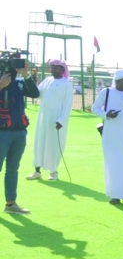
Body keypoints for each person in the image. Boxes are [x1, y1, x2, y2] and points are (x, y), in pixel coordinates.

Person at [92, 69, 123, 204]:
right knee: (113, 162)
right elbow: (94, 109)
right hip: (111, 132)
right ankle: (115, 194)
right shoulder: (106, 92)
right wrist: (106, 114)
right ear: (117, 80)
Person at [0, 61, 39, 215]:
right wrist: (1, 85)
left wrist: (26, 75)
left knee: (13, 169)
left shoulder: (19, 82)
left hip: (19, 132)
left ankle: (11, 203)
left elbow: (35, 94)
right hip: (2, 132)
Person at [26, 59, 73, 182]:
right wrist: (31, 83)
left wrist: (62, 120)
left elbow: (68, 105)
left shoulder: (66, 84)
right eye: (52, 67)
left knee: (53, 145)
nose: (52, 70)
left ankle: (53, 172)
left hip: (57, 120)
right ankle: (37, 171)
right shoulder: (47, 80)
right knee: (39, 142)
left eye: (55, 68)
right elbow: (38, 94)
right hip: (43, 117)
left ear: (62, 69)